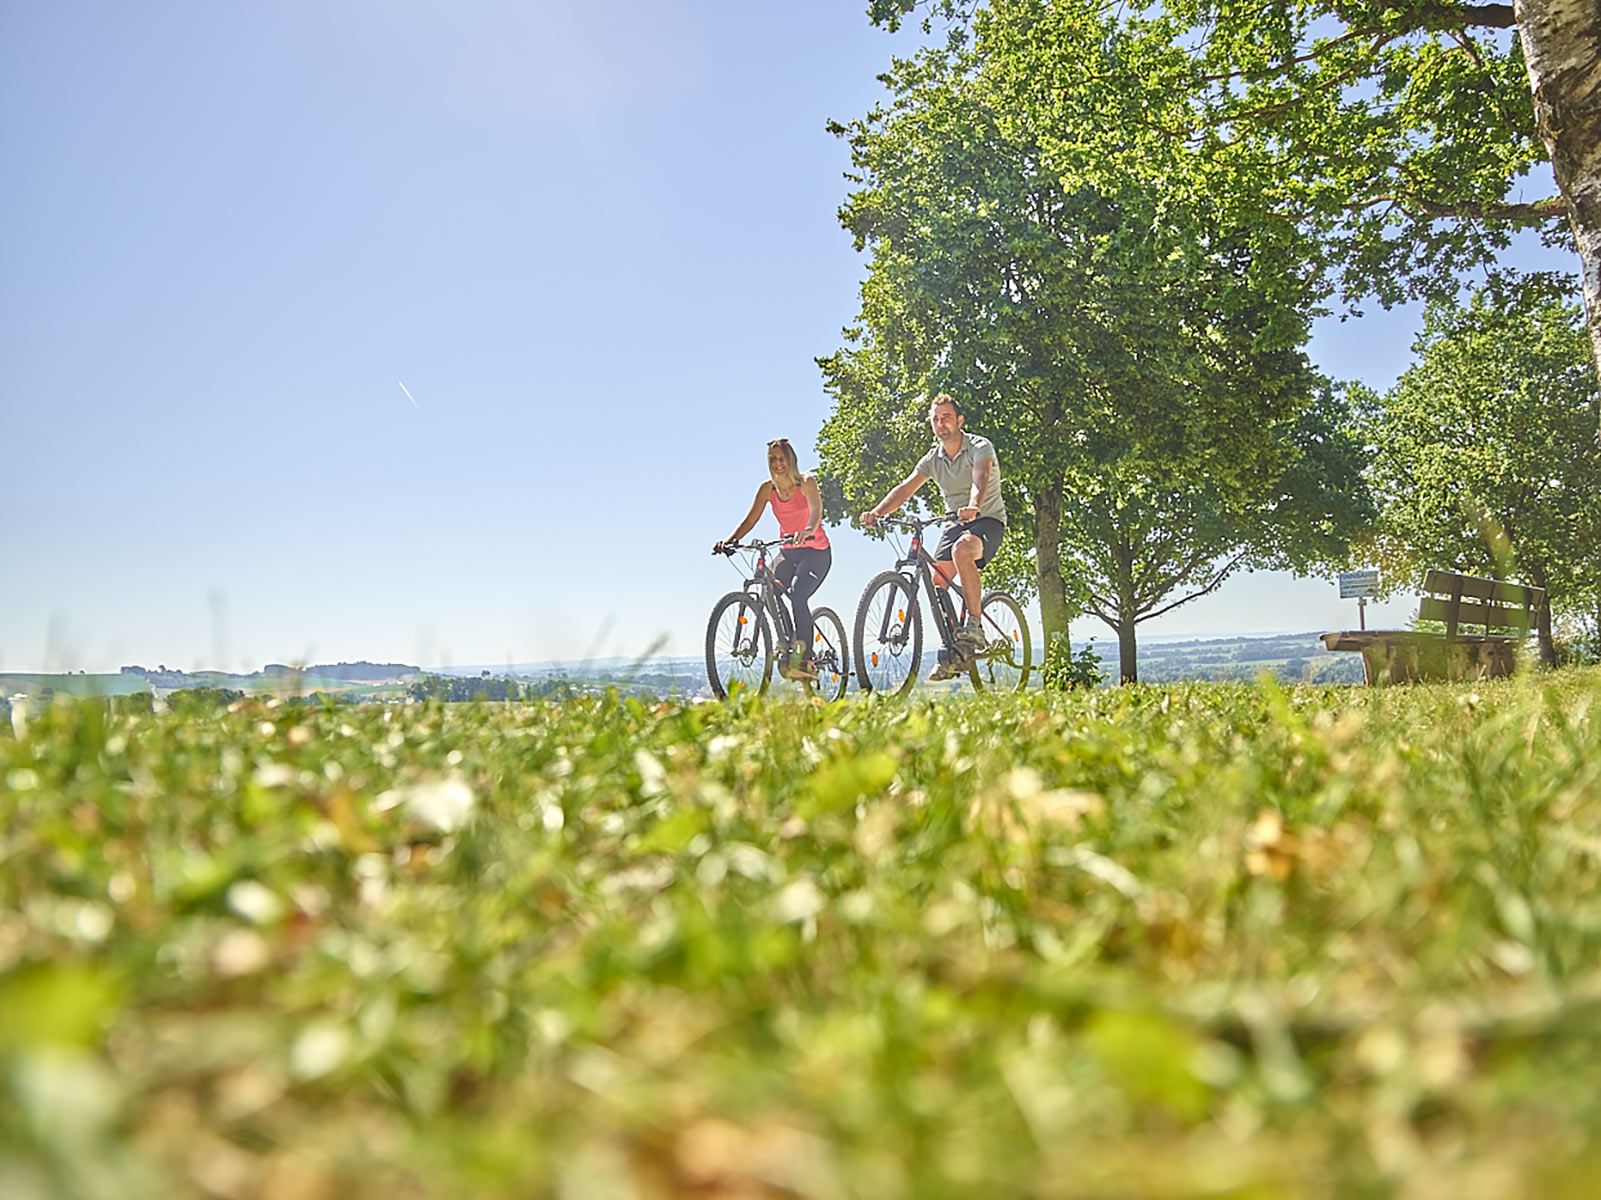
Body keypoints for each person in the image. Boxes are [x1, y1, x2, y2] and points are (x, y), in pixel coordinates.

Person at [860, 393, 1006, 681]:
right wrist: (876, 512)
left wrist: (974, 506)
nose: (941, 424)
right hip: (955, 521)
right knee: (936, 578)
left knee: (963, 550)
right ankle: (954, 647)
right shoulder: (933, 459)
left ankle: (974, 624)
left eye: (946, 418)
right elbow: (905, 488)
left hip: (986, 519)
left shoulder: (979, 446)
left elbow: (981, 477)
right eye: (936, 419)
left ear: (959, 421)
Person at [713, 438, 832, 680]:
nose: (778, 464)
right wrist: (730, 540)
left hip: (815, 551)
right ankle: (787, 642)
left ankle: (805, 659)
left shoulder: (806, 482)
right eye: (773, 459)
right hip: (788, 551)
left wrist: (809, 528)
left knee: (798, 594)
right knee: (770, 592)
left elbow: (816, 510)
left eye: (782, 459)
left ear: (791, 460)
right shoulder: (767, 489)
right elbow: (751, 519)